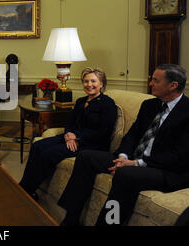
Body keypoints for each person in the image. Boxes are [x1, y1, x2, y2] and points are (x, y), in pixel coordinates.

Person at [58, 64, 189, 226]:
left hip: (166, 170)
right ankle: (71, 218)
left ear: (173, 85)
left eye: (156, 80)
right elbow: (131, 137)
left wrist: (135, 163)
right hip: (131, 160)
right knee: (86, 157)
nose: (150, 84)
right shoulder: (150, 105)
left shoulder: (187, 112)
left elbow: (179, 157)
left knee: (126, 174)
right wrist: (122, 156)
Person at [19, 67, 118, 200]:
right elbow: (70, 123)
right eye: (86, 81)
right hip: (71, 138)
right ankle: (22, 188)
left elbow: (103, 132)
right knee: (37, 145)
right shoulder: (80, 102)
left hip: (91, 145)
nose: (89, 85)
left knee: (49, 153)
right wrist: (68, 134)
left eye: (93, 81)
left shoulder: (108, 104)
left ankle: (27, 191)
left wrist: (76, 137)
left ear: (101, 84)